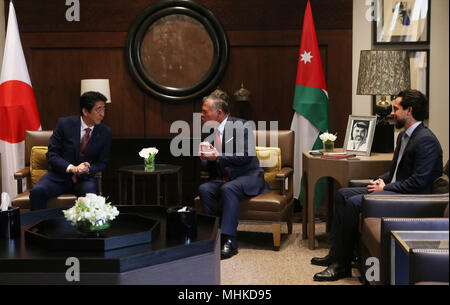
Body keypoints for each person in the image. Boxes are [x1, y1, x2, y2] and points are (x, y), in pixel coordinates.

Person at [311, 89, 443, 281]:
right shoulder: (404, 136)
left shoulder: (426, 141)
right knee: (343, 194)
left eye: (396, 109)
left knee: (354, 202)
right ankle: (336, 253)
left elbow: (418, 182)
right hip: (396, 189)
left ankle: (342, 266)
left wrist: (385, 188)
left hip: (411, 198)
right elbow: (395, 171)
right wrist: (381, 180)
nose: (391, 113)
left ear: (409, 110)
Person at [198, 89, 269, 259]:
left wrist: (217, 156)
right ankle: (213, 236)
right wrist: (204, 157)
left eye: (204, 111)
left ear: (219, 113)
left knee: (229, 189)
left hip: (249, 177)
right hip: (225, 178)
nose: (201, 115)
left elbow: (245, 156)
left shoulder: (242, 126)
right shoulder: (208, 131)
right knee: (205, 189)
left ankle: (229, 240)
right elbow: (208, 164)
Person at [29, 91, 112, 210]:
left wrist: (88, 168)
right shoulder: (64, 124)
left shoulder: (105, 132)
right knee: (37, 192)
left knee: (91, 194)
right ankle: (36, 227)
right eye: (98, 110)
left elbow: (102, 163)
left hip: (84, 180)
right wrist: (72, 168)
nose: (102, 114)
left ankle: (88, 228)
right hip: (59, 176)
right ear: (85, 111)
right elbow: (52, 154)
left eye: (104, 109)